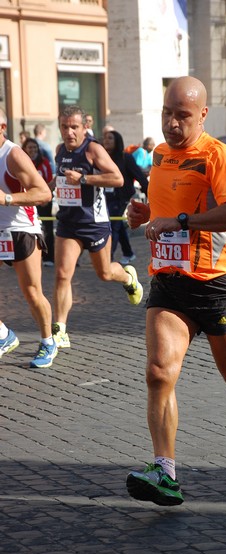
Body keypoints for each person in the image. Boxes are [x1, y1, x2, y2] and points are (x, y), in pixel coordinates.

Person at [125, 76, 226, 507]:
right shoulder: (159, 154)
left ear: (202, 115)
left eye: (182, 115)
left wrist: (178, 222)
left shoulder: (219, 156)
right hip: (169, 278)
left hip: (216, 283)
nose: (172, 123)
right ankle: (166, 472)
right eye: (166, 112)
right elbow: (164, 208)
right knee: (159, 371)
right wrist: (145, 214)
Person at [51, 105, 144, 349]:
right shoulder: (60, 150)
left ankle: (128, 277)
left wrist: (83, 179)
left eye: (74, 127)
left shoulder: (93, 149)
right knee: (62, 274)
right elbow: (60, 179)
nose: (69, 132)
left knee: (104, 273)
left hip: (94, 223)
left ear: (84, 128)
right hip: (68, 222)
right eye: (64, 126)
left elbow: (118, 178)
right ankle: (60, 329)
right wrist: (47, 186)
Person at [0, 108, 58, 368]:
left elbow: (44, 193)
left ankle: (48, 341)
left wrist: (7, 199)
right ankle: (5, 335)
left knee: (32, 292)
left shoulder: (13, 155)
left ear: (2, 127)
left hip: (22, 229)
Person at [103, 129, 149, 264]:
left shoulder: (126, 158)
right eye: (105, 138)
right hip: (107, 196)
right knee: (118, 225)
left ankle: (108, 258)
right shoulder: (102, 158)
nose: (106, 140)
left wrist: (149, 195)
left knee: (113, 225)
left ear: (117, 141)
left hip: (121, 197)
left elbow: (140, 177)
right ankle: (128, 253)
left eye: (110, 138)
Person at [22, 137, 54, 266]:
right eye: (30, 147)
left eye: (35, 147)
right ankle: (23, 256)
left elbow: (50, 180)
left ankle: (48, 257)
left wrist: (45, 196)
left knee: (46, 229)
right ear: (25, 149)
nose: (32, 150)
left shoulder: (44, 162)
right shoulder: (20, 162)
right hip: (26, 201)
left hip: (43, 201)